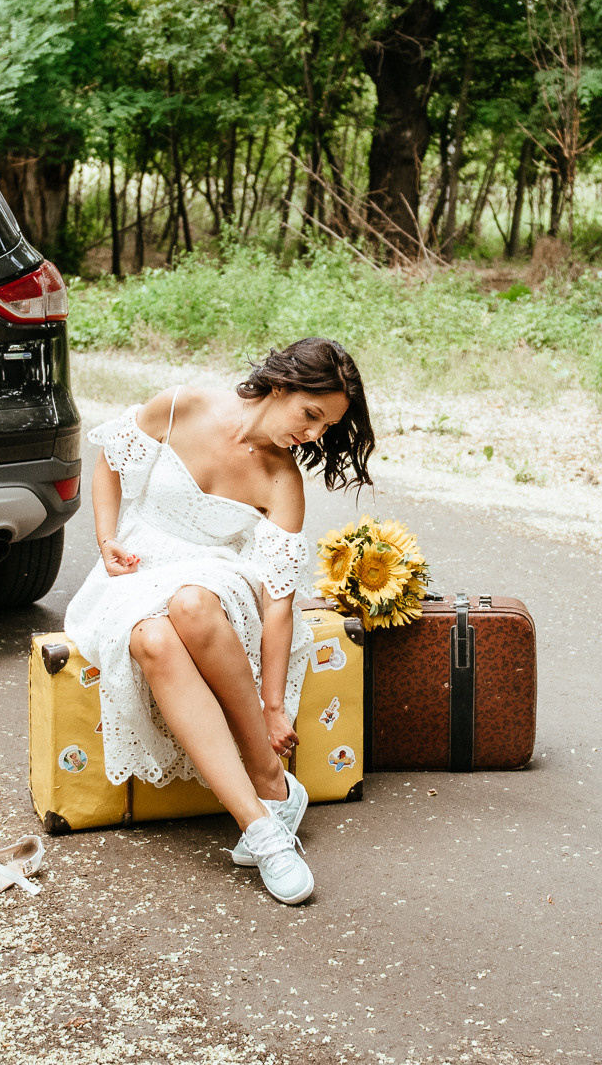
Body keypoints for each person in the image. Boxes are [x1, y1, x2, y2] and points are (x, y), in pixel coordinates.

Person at [63, 337, 376, 904]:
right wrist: (107, 541)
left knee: (188, 603)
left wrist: (274, 704)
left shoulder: (283, 480)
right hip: (133, 573)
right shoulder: (181, 405)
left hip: (217, 579)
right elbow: (109, 461)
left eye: (325, 429)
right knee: (153, 637)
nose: (312, 436)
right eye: (310, 415)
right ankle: (263, 819)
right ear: (280, 385)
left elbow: (279, 600)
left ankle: (265, 783)